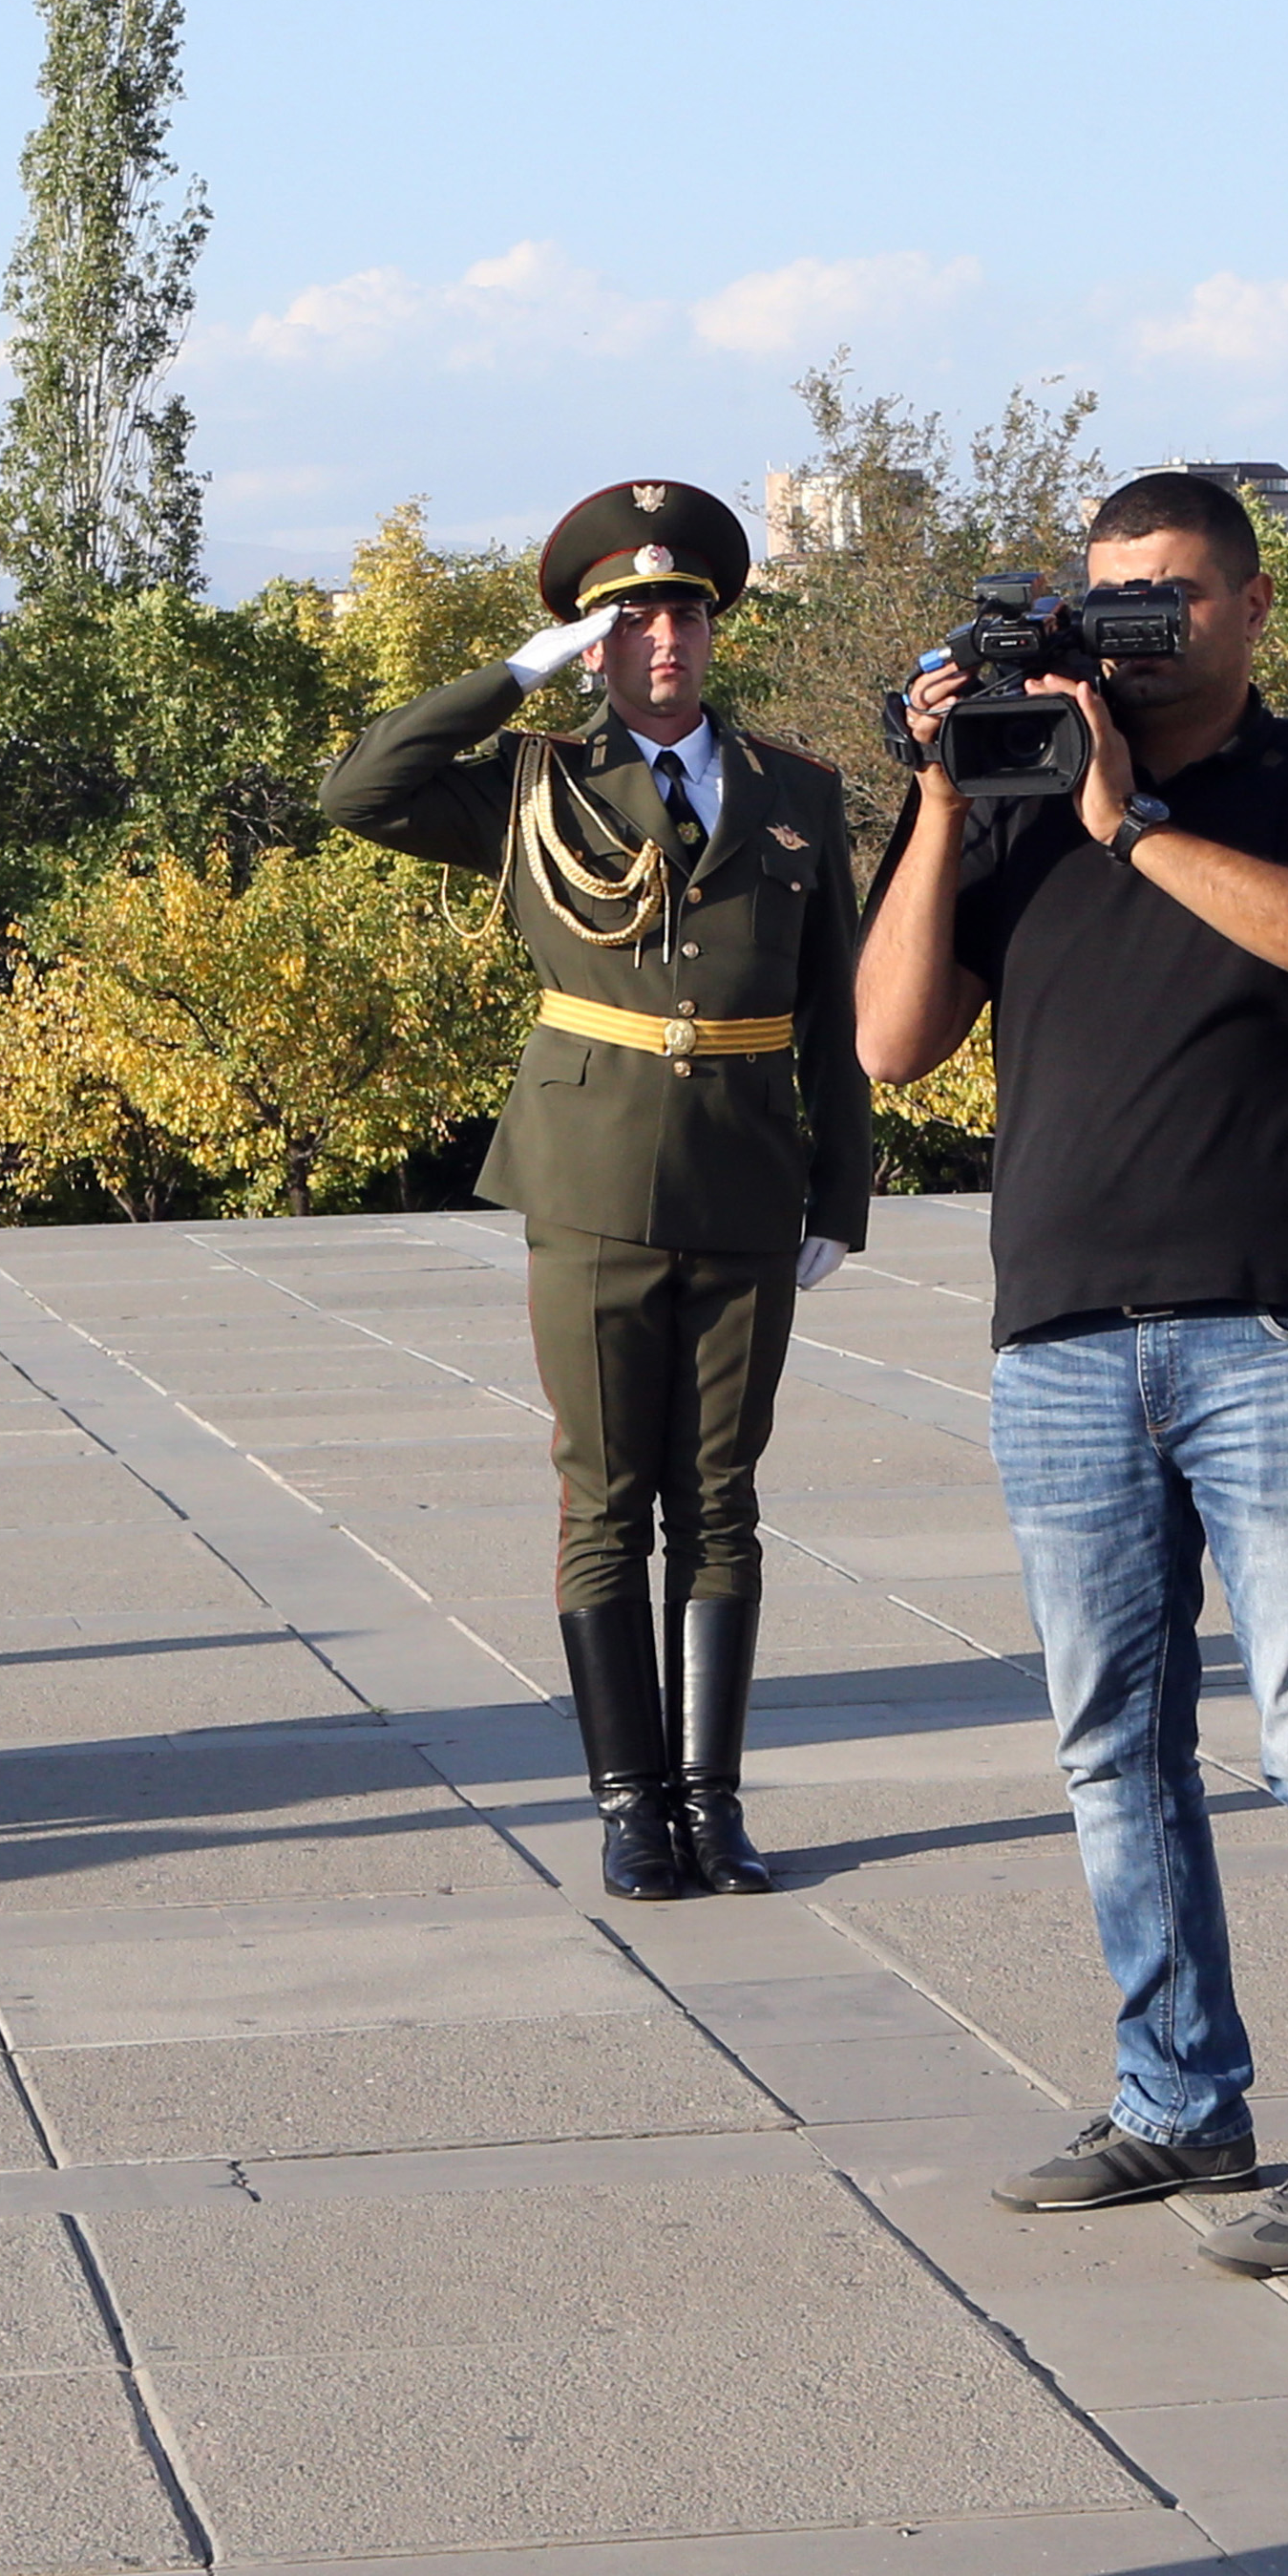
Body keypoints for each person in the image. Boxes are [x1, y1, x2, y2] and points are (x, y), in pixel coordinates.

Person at [856, 469, 1288, 2278]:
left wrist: (1132, 826)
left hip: (1277, 1319)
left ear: (1254, 605)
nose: (1139, 628)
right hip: (1061, 1335)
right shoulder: (1015, 789)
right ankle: (1178, 2095)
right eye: (1111, 597)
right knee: (1113, 1742)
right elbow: (889, 1041)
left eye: (1172, 596)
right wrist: (948, 795)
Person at [321, 481, 873, 1903]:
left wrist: (841, 1190)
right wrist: (516, 673)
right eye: (629, 619)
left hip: (747, 1171)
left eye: (682, 611)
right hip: (589, 1177)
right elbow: (359, 790)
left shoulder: (797, 792)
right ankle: (631, 1805)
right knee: (607, 1499)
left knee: (723, 1499)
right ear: (594, 639)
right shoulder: (536, 784)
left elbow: (834, 1009)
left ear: (714, 627)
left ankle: (714, 1805)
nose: (662, 638)